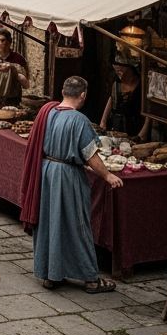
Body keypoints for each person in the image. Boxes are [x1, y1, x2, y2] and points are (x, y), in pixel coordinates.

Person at [19, 76, 123, 293]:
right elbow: (91, 155)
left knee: (49, 222)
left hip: (47, 172)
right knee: (77, 224)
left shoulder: (47, 113)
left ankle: (50, 274)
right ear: (83, 95)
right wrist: (108, 176)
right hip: (66, 175)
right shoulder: (79, 120)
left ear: (63, 91)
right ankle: (90, 279)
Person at [99, 58, 146, 138]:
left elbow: (148, 112)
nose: (119, 74)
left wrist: (142, 134)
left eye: (121, 71)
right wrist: (103, 121)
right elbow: (111, 99)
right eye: (117, 71)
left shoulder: (141, 86)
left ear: (130, 69)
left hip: (135, 125)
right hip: (116, 124)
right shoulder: (116, 82)